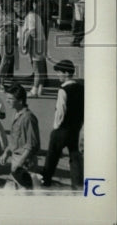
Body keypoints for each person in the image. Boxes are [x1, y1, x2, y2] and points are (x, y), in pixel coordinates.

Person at [40, 59, 83, 190]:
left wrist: (55, 128)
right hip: (75, 129)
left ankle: (46, 181)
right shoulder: (81, 88)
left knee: (52, 157)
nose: (58, 75)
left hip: (62, 129)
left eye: (59, 73)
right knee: (74, 156)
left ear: (65, 73)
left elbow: (60, 111)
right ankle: (77, 184)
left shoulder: (63, 90)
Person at [1, 83, 41, 185]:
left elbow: (31, 145)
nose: (7, 101)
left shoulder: (28, 118)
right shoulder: (16, 113)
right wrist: (6, 152)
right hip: (16, 157)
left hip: (25, 161)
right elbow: (14, 138)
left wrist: (20, 163)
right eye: (7, 98)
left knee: (25, 191)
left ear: (20, 101)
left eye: (10, 99)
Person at [19, 0, 47, 97]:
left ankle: (34, 91)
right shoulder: (36, 15)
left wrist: (28, 44)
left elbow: (32, 31)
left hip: (36, 44)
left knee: (36, 69)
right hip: (41, 43)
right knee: (41, 67)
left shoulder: (30, 17)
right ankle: (40, 88)